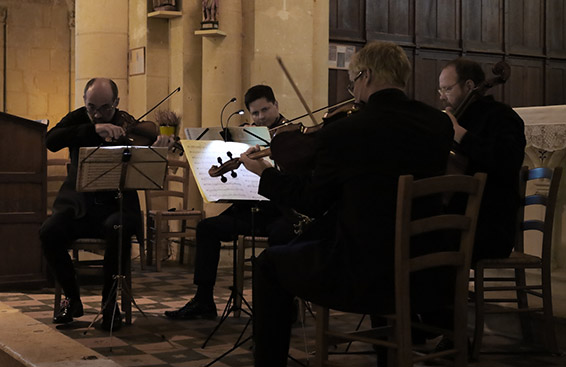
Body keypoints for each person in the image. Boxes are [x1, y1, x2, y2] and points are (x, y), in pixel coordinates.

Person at [239, 41, 455, 367]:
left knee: (268, 265)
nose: (352, 90)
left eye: (353, 81)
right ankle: (388, 352)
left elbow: (312, 201)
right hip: (428, 267)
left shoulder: (346, 131)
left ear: (366, 75)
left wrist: (265, 176)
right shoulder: (438, 124)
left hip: (366, 273)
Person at [40, 78, 173, 331]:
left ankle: (110, 304)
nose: (98, 113)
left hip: (116, 207)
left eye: (105, 108)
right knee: (49, 232)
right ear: (84, 102)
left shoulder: (127, 123)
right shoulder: (78, 118)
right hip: (77, 207)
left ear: (117, 103)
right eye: (92, 107)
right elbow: (51, 140)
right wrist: (93, 129)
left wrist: (159, 150)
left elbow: (148, 155)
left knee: (118, 228)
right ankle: (71, 298)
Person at [163, 84, 295, 320]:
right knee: (206, 229)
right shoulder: (246, 137)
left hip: (279, 211)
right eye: (255, 113)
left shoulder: (292, 135)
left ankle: (284, 306)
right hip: (249, 208)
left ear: (276, 105)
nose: (261, 117)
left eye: (265, 110)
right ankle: (203, 300)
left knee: (282, 236)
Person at [439, 58, 526, 262]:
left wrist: (460, 134)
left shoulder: (502, 116)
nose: (442, 97)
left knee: (421, 241)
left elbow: (507, 162)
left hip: (489, 226)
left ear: (469, 86)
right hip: (458, 220)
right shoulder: (459, 118)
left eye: (447, 89)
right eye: (440, 90)